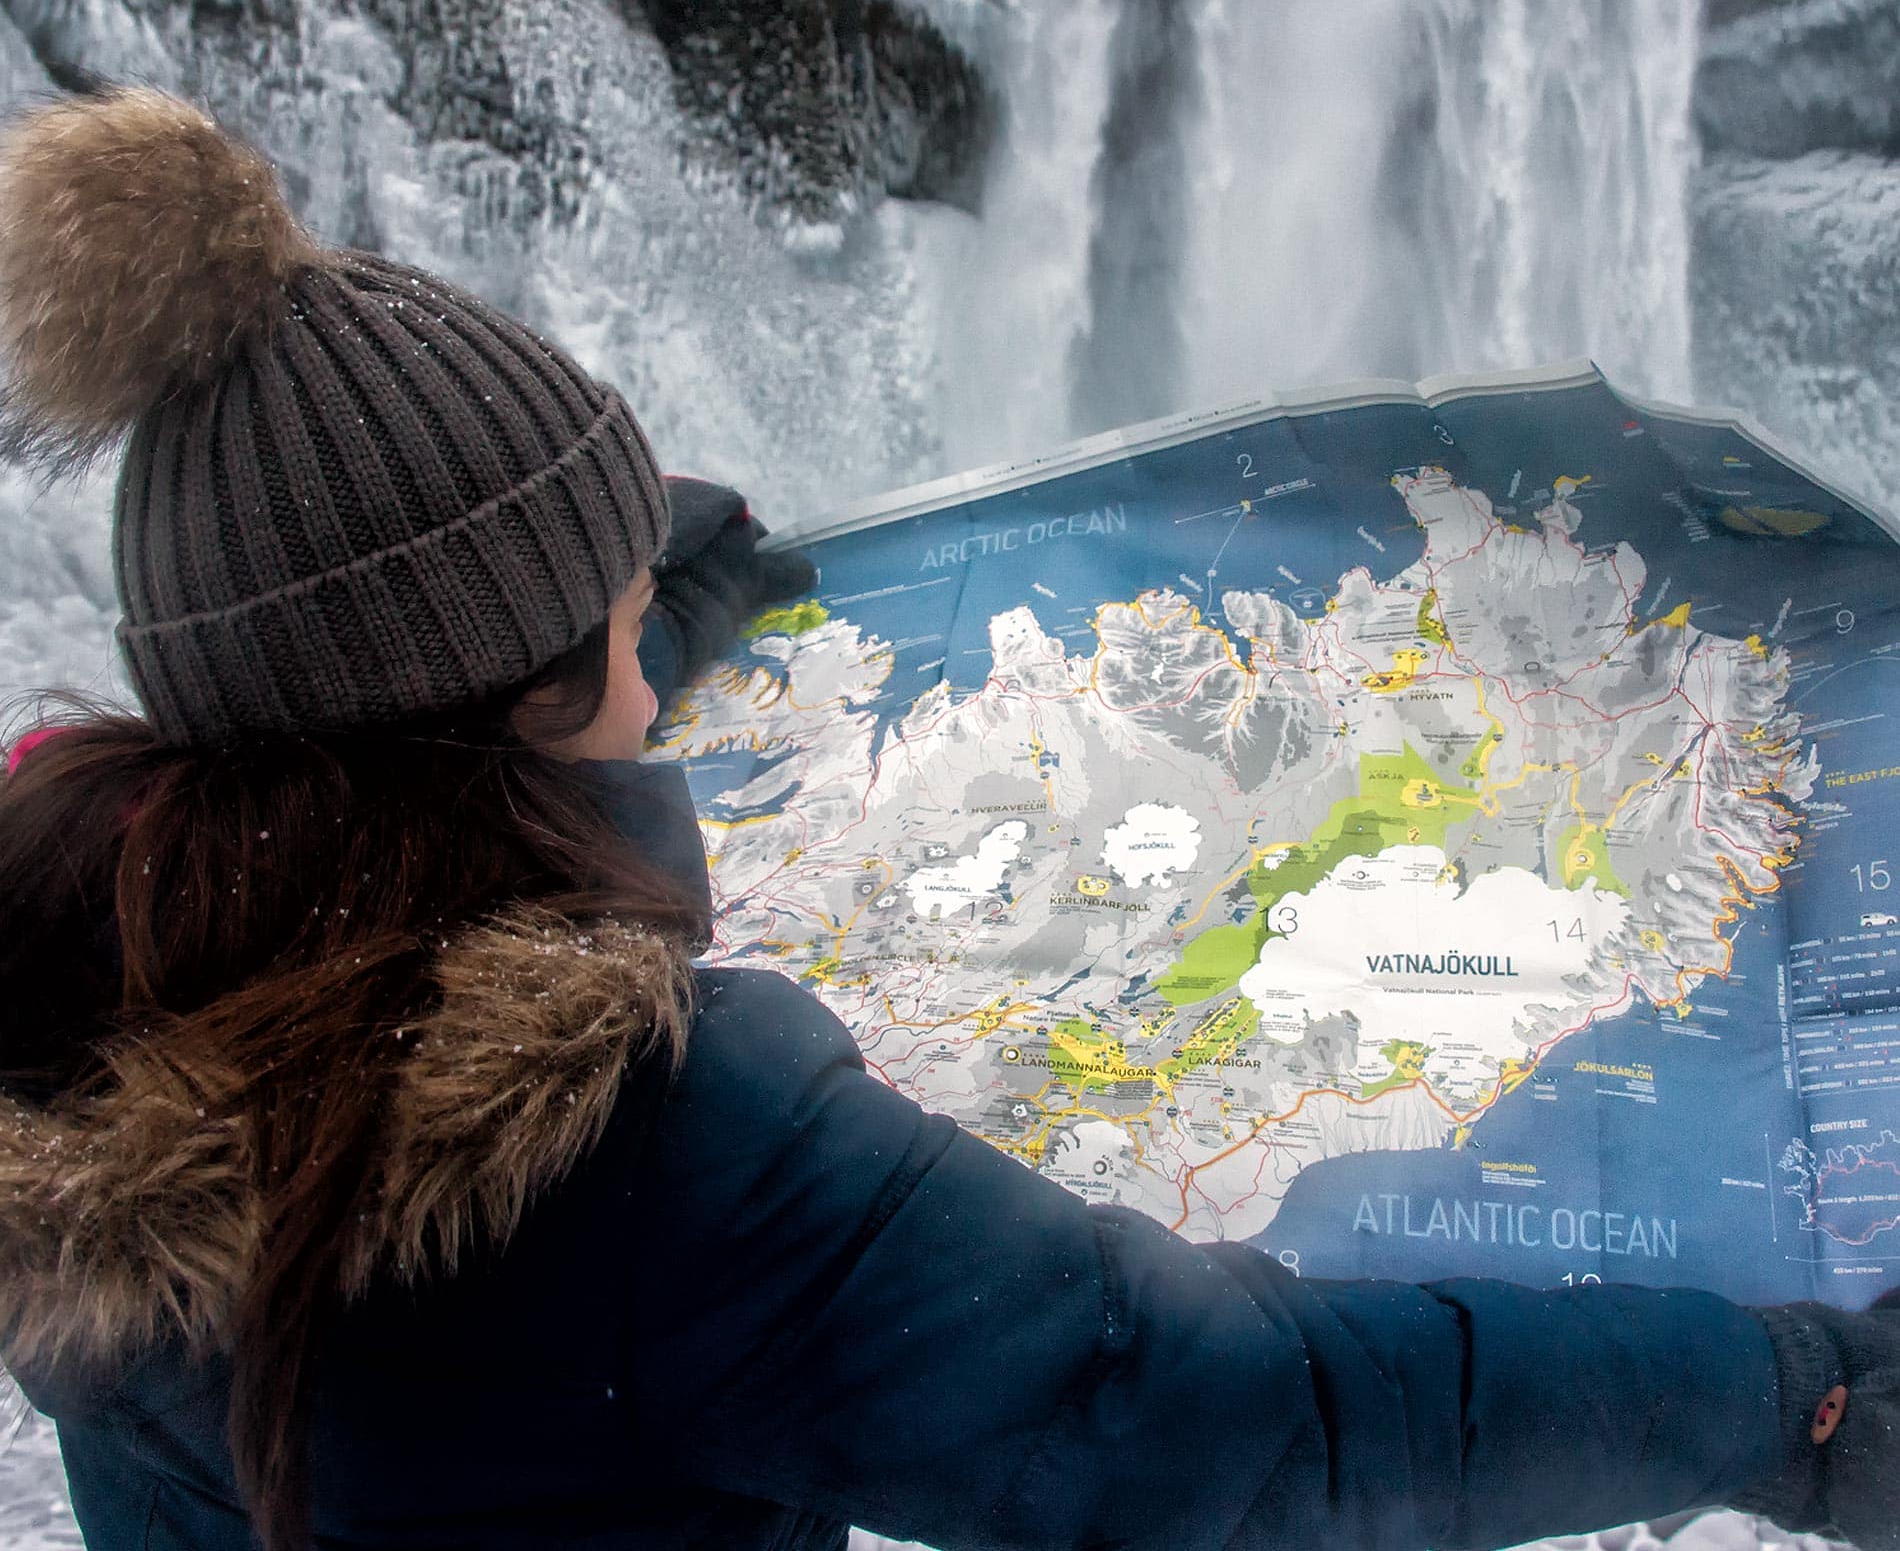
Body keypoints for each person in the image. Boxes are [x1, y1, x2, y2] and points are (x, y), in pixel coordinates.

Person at [0, 85, 1891, 1551]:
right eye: (618, 643)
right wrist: (1783, 1403)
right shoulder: (641, 1159)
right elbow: (1211, 1418)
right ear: (510, 706)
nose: (660, 680)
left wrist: (593, 628)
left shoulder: (70, 998)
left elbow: (379, 703)